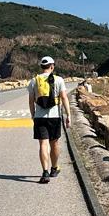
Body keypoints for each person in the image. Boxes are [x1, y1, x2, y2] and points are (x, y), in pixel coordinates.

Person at [28, 56, 71, 184]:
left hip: (40, 117)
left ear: (41, 67)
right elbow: (64, 98)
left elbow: (31, 101)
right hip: (55, 116)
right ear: (52, 66)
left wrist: (33, 115)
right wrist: (68, 115)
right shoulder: (59, 80)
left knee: (43, 144)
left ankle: (45, 172)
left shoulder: (34, 81)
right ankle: (54, 168)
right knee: (55, 144)